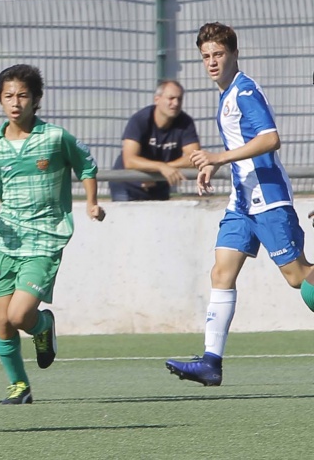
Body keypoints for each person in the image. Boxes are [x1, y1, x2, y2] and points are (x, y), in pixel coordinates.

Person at [166, 22, 314, 386]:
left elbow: (270, 139)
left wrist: (219, 157)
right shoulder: (226, 93)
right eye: (206, 56)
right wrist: (216, 165)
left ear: (234, 53)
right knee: (221, 272)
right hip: (243, 202)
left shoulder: (244, 91)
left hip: (267, 198)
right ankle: (210, 362)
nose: (212, 62)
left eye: (218, 54)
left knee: (299, 278)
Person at [0, 64, 105, 404]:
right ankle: (19, 386)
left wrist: (91, 202)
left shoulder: (55, 138)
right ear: (0, 100)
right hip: (6, 240)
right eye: (8, 96)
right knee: (3, 322)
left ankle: (41, 326)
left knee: (19, 315)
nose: (16, 103)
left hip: (45, 238)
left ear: (36, 99)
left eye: (23, 95)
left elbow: (86, 164)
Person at [108, 80, 201, 201]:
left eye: (180, 99)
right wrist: (161, 168)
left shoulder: (185, 123)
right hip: (127, 186)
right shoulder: (139, 120)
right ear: (157, 99)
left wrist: (164, 168)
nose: (176, 103)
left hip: (159, 185)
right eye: (171, 98)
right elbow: (130, 161)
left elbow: (195, 158)